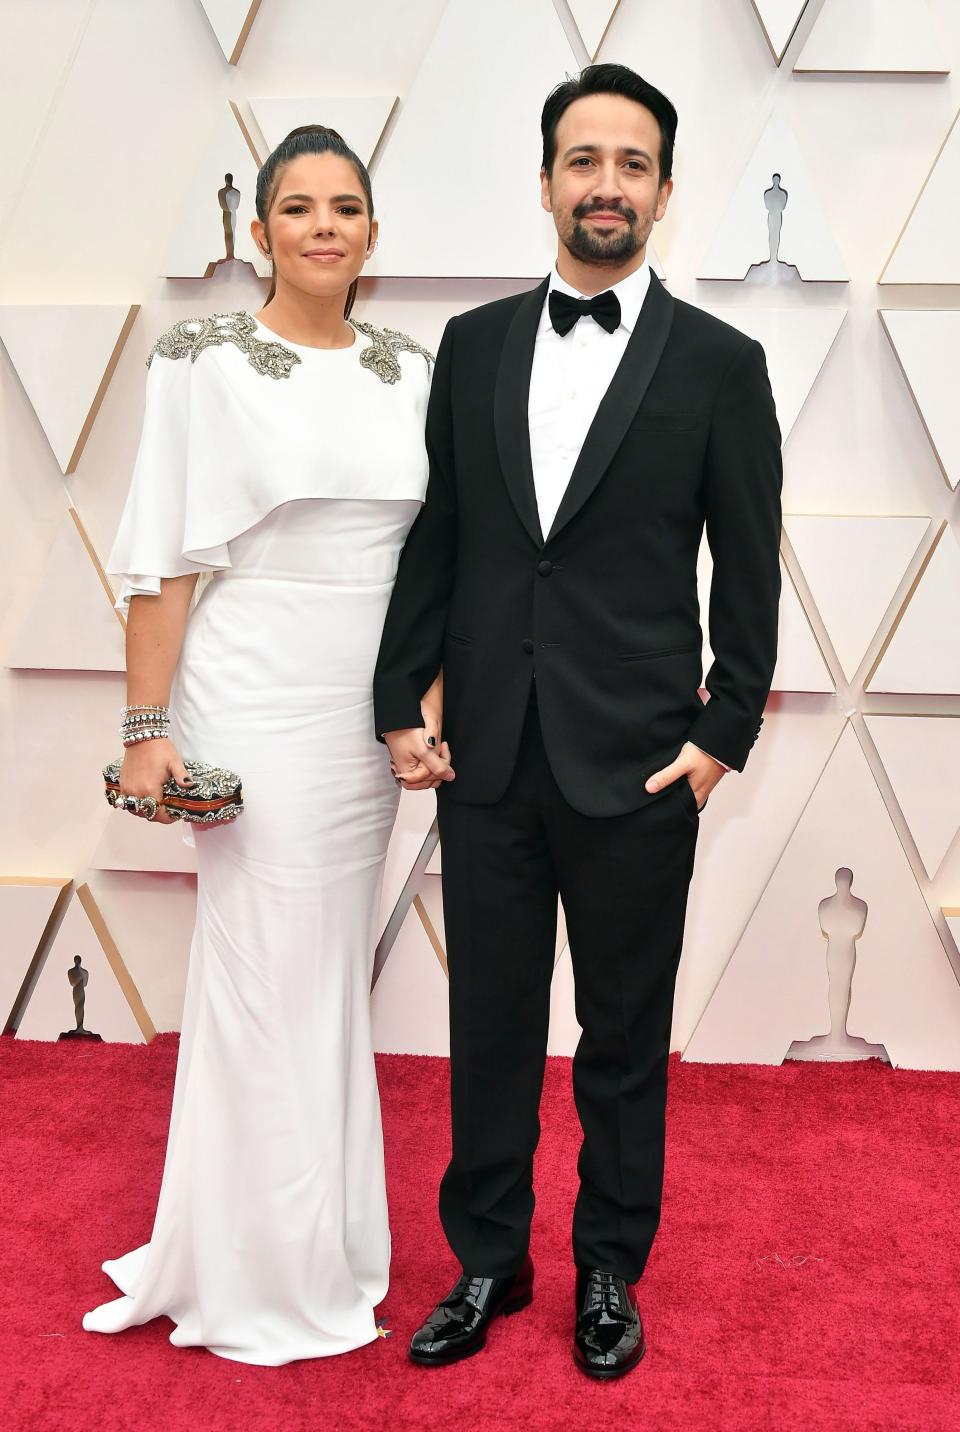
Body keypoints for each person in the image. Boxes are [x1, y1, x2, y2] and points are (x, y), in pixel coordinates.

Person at [374, 64, 782, 1379]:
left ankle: (610, 1264)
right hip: (487, 751)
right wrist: (400, 696)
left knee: (621, 1035)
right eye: (583, 159)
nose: (606, 183)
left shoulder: (724, 364)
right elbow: (447, 533)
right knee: (488, 1024)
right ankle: (488, 1260)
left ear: (663, 190)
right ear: (546, 180)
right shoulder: (476, 345)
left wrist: (721, 736)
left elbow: (749, 565)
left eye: (632, 162)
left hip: (644, 757)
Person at [82, 125, 443, 1365]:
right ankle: (254, 1269)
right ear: (260, 233)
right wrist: (146, 731)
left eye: (347, 206)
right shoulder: (200, 360)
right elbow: (161, 557)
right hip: (250, 700)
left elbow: (438, 566)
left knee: (325, 978)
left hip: (366, 717)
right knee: (262, 977)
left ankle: (324, 1247)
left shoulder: (417, 369)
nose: (324, 226)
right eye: (300, 207)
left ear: (375, 236)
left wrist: (423, 702)